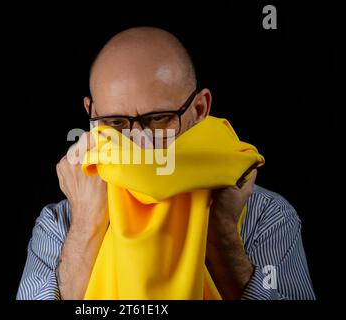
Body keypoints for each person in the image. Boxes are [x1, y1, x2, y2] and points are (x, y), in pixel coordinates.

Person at [17, 27, 315, 300]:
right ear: (91, 114)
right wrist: (85, 226)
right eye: (115, 122)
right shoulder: (61, 223)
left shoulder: (265, 216)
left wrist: (222, 235)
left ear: (199, 109)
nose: (139, 142)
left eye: (157, 119)